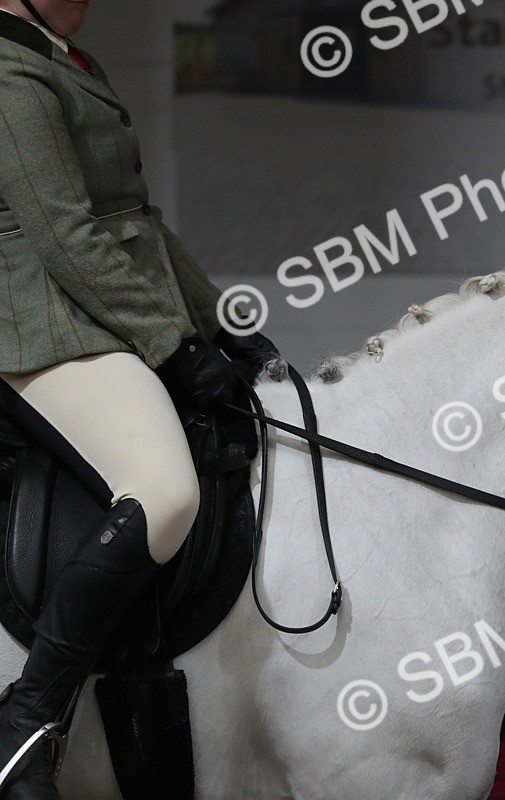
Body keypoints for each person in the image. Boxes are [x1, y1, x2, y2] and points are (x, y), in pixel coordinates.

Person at [0, 1, 272, 796]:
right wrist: (174, 347)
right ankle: (30, 715)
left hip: (101, 304)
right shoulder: (9, 71)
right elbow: (65, 235)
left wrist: (222, 322)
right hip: (39, 323)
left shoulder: (63, 56)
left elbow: (138, 222)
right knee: (162, 491)